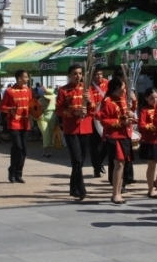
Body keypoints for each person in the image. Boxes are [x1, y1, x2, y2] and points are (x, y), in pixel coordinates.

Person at [56, 64, 97, 200]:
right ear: (69, 75)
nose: (78, 76)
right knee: (77, 159)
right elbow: (59, 110)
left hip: (85, 128)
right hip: (71, 129)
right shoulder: (63, 90)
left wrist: (90, 102)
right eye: (75, 73)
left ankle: (74, 188)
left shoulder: (87, 89)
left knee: (80, 161)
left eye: (80, 73)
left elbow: (93, 110)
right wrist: (74, 112)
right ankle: (81, 189)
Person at [97, 77, 136, 204]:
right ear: (117, 89)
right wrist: (121, 122)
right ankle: (115, 193)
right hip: (115, 136)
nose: (125, 91)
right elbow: (104, 120)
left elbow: (129, 112)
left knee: (122, 164)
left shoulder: (124, 99)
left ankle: (118, 191)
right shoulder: (107, 101)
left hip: (125, 135)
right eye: (123, 88)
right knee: (118, 164)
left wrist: (133, 105)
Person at [1, 70, 33, 183]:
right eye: (26, 77)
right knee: (18, 147)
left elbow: (32, 105)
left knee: (23, 149)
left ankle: (18, 173)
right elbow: (2, 107)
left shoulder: (28, 91)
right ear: (19, 78)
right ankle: (12, 170)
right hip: (14, 123)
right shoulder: (9, 92)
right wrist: (10, 110)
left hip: (26, 124)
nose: (27, 79)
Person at [138, 88, 157, 199]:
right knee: (151, 164)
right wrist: (154, 127)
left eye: (156, 97)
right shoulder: (144, 110)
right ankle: (150, 189)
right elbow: (141, 125)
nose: (155, 100)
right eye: (152, 98)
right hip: (150, 140)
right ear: (146, 99)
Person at [88, 68, 108, 178]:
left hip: (105, 118)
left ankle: (99, 162)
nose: (99, 76)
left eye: (100, 74)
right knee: (94, 145)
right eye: (96, 74)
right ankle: (96, 168)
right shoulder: (89, 87)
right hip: (93, 120)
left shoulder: (107, 84)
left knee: (106, 143)